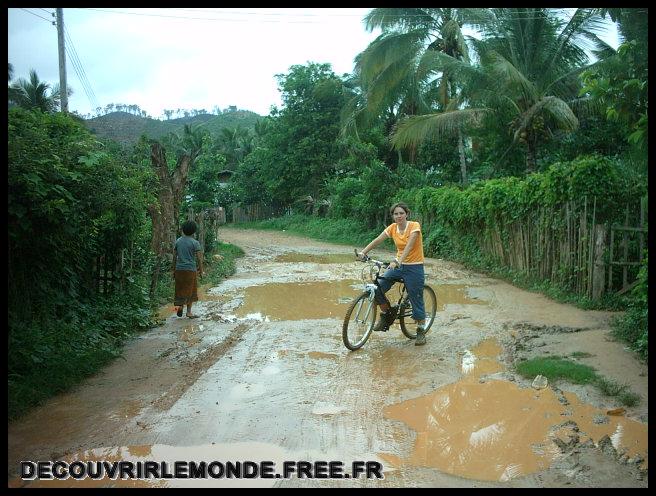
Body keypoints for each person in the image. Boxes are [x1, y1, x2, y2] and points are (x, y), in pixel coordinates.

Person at [357, 202, 427, 345]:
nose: (399, 216)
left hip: (414, 267)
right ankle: (386, 314)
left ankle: (420, 329)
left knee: (415, 296)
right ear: (393, 216)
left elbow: (410, 245)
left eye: (401, 213)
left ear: (407, 214)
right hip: (398, 265)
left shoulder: (414, 226)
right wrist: (363, 252)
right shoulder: (393, 228)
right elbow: (378, 239)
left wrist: (399, 261)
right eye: (396, 214)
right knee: (377, 288)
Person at [173, 220, 204, 319]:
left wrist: (173, 270)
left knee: (180, 289)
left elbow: (174, 257)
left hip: (179, 269)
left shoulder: (178, 241)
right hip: (190, 270)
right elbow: (199, 258)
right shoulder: (195, 243)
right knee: (191, 290)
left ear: (183, 229)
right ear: (194, 231)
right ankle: (189, 312)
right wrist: (201, 270)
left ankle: (180, 307)